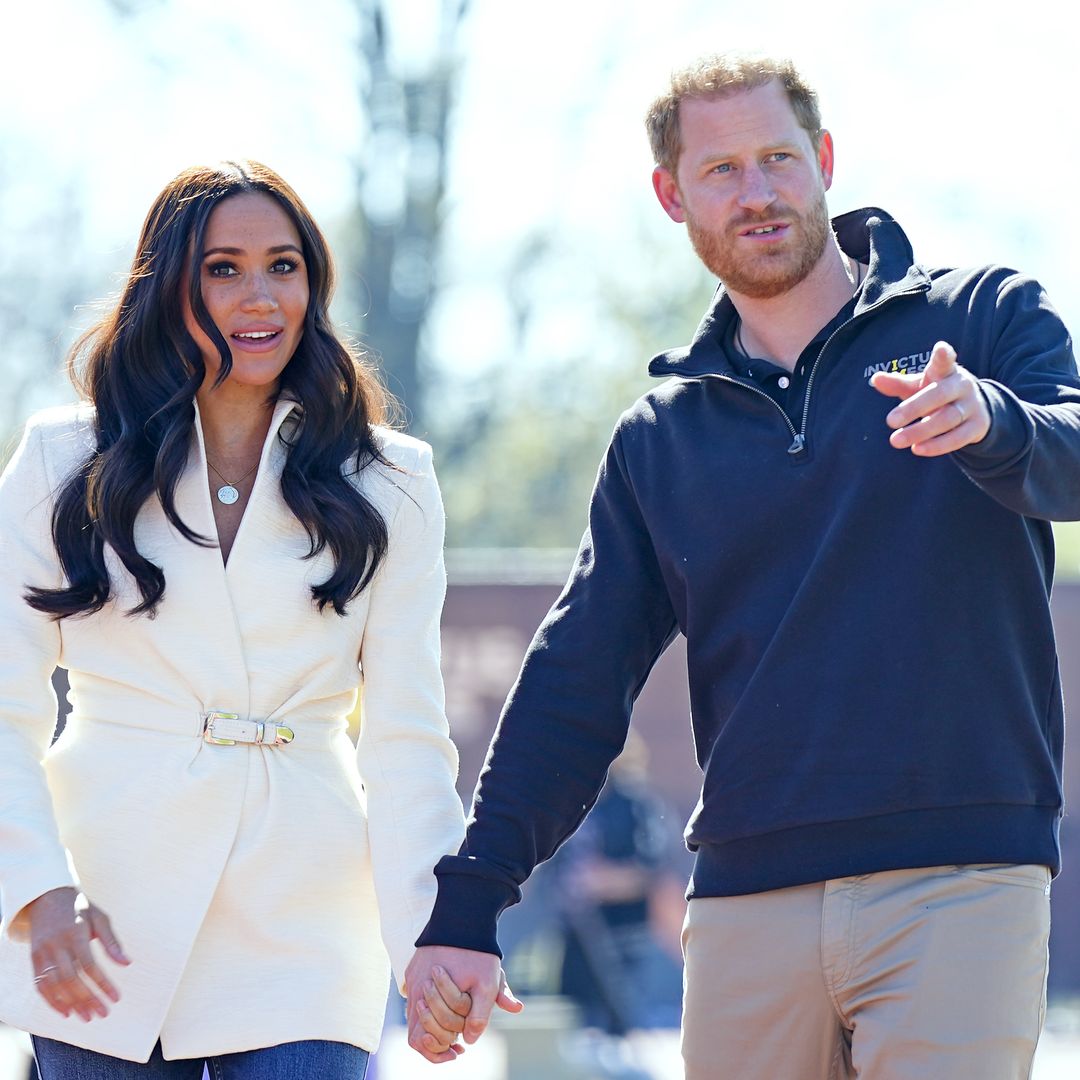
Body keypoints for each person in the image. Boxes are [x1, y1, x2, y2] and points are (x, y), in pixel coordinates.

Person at [404, 53, 1080, 1078]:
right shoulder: (660, 438)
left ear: (826, 161)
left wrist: (994, 422)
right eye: (721, 170)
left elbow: (1071, 448)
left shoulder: (979, 317)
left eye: (778, 159)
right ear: (672, 195)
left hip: (962, 877)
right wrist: (470, 900)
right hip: (745, 903)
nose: (757, 191)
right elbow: (575, 683)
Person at [0, 160, 472, 1078]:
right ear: (167, 284)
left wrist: (431, 934)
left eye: (283, 266)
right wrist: (34, 892)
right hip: (103, 916)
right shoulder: (64, 460)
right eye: (223, 268)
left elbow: (409, 738)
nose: (260, 296)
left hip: (305, 913)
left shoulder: (392, 481)